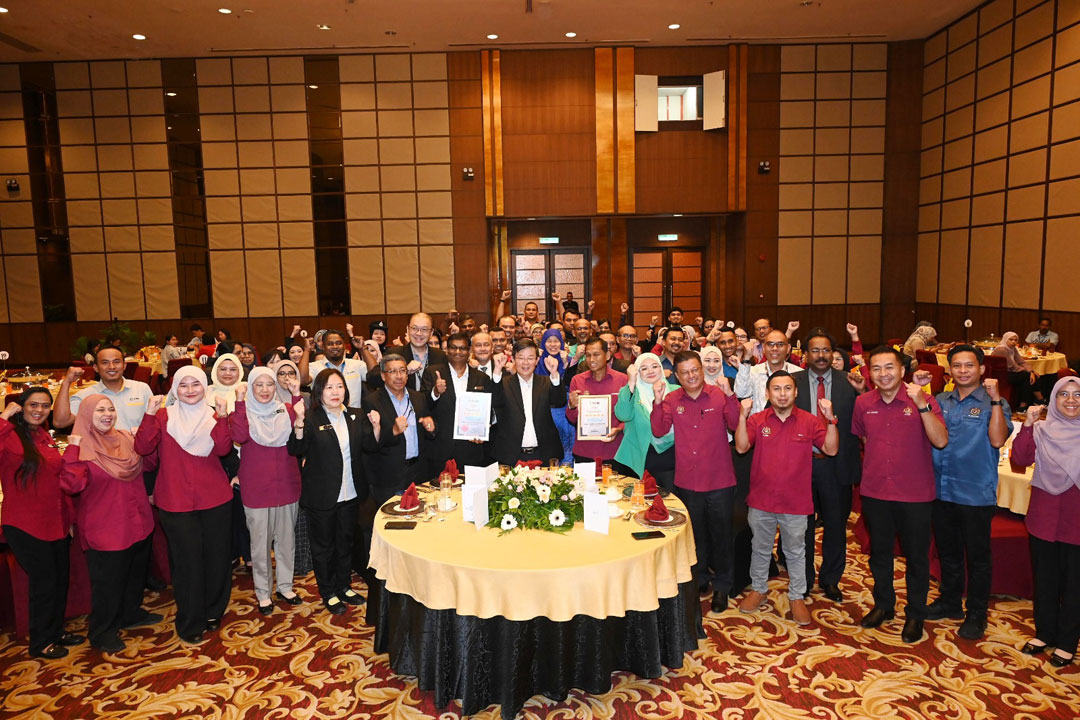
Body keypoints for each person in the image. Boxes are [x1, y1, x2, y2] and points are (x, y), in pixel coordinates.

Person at [851, 347, 948, 643]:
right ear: (870, 373)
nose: (883, 374)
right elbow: (865, 439)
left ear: (902, 370)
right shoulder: (863, 402)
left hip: (915, 493)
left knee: (916, 558)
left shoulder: (924, 399)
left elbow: (940, 441)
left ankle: (916, 613)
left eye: (889, 367)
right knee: (879, 554)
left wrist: (922, 405)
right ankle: (883, 605)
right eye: (876, 368)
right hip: (876, 491)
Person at [134, 367, 233, 644]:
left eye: (196, 384)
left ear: (204, 387)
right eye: (183, 385)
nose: (190, 390)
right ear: (174, 389)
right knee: (187, 564)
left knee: (217, 559)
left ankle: (213, 611)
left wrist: (223, 416)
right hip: (175, 500)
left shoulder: (213, 414)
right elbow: (142, 447)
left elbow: (223, 449)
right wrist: (149, 413)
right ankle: (190, 621)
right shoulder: (163, 416)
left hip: (214, 497)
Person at [735, 371, 838, 625]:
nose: (782, 394)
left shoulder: (810, 421)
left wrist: (831, 420)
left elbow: (830, 449)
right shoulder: (758, 419)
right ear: (767, 393)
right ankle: (759, 589)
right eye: (777, 389)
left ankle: (797, 596)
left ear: (796, 392)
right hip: (762, 499)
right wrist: (742, 416)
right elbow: (741, 447)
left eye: (787, 388)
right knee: (760, 548)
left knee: (795, 551)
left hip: (796, 501)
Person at [60, 395, 158, 653]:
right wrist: (72, 449)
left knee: (135, 575)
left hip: (138, 520)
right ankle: (102, 632)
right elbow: (72, 485)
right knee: (108, 584)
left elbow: (149, 463)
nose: (107, 414)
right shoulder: (82, 448)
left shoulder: (125, 438)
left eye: (110, 409)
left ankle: (130, 614)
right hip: (106, 528)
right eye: (99, 410)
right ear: (86, 415)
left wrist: (145, 431)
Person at [928, 345, 1012, 639]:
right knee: (947, 551)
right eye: (957, 366)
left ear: (982, 369)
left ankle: (977, 613)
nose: (963, 371)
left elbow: (998, 440)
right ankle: (950, 601)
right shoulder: (940, 400)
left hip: (975, 492)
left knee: (978, 558)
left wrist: (996, 399)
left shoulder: (993, 402)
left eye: (969, 365)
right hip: (941, 489)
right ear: (949, 370)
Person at [651, 351, 740, 614]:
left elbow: (735, 424)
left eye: (695, 370)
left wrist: (731, 395)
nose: (691, 376)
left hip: (719, 478)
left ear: (702, 370)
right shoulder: (671, 399)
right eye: (685, 373)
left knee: (721, 535)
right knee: (695, 535)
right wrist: (657, 402)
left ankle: (722, 585)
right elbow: (658, 430)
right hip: (688, 480)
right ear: (677, 377)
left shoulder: (718, 394)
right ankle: (700, 578)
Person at [0, 388, 85, 659]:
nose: (39, 410)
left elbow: (55, 480)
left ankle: (56, 632)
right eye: (33, 405)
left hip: (54, 521)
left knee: (59, 580)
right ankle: (41, 642)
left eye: (45, 406)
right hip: (25, 523)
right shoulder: (9, 436)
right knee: (44, 583)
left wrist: (68, 518)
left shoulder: (43, 435)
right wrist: (3, 417)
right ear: (21, 407)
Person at [288, 368, 377, 615]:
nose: (335, 392)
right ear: (319, 391)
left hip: (351, 492)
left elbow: (369, 446)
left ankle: (344, 586)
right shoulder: (311, 417)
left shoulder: (356, 415)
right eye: (329, 387)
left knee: (345, 543)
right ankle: (328, 591)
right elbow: (296, 449)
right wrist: (298, 422)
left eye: (339, 386)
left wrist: (377, 427)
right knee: (323, 548)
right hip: (322, 495)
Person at [1011, 376, 1080, 667]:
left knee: (1074, 584)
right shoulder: (1041, 430)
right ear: (1053, 399)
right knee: (1045, 580)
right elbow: (1020, 459)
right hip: (1044, 516)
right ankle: (1045, 633)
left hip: (1076, 519)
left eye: (1077, 395)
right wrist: (1027, 425)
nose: (1071, 400)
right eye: (1063, 394)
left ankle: (1067, 642)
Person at [793, 328, 865, 603]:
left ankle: (831, 579)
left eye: (826, 350)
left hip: (837, 465)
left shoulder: (850, 382)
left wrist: (863, 391)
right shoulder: (794, 382)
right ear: (806, 354)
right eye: (815, 350)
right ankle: (803, 578)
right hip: (802, 465)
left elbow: (864, 418)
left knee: (835, 525)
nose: (821, 355)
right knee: (802, 528)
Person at [230, 367, 304, 615]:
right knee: (259, 545)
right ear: (250, 387)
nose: (264, 390)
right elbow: (239, 435)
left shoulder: (287, 409)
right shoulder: (244, 412)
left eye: (269, 384)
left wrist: (296, 395)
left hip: (287, 483)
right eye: (258, 385)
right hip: (257, 487)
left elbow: (300, 434)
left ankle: (285, 587)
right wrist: (239, 402)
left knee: (286, 541)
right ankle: (263, 593)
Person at [424, 332, 500, 475]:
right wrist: (436, 392)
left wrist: (482, 431)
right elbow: (423, 406)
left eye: (463, 348)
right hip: (440, 450)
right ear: (447, 350)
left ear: (469, 351)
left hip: (471, 449)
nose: (458, 352)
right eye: (453, 347)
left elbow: (488, 411)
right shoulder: (432, 373)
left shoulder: (482, 378)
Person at [365, 355, 437, 503]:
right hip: (389, 476)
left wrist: (431, 428)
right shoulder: (372, 401)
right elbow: (370, 443)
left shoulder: (418, 397)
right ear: (383, 376)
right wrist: (393, 431)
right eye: (392, 371)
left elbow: (427, 433)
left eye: (402, 371)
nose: (399, 376)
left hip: (419, 473)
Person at [493, 339, 566, 465]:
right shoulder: (503, 383)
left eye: (530, 358)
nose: (525, 363)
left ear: (537, 360)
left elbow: (559, 401)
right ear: (513, 359)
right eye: (521, 358)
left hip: (544, 453)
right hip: (511, 455)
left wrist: (554, 373)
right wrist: (497, 370)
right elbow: (495, 401)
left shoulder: (546, 382)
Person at [613, 353, 678, 491]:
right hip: (641, 457)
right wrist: (631, 383)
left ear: (661, 368)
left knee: (671, 500)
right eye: (644, 368)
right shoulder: (631, 392)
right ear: (637, 372)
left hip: (672, 457)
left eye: (654, 366)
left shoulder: (676, 391)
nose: (650, 371)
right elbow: (623, 415)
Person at [54, 346, 152, 430]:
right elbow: (60, 422)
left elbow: (155, 422)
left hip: (136, 445)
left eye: (116, 362)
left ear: (124, 365)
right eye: (105, 362)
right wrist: (66, 383)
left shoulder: (141, 389)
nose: (112, 367)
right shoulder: (85, 396)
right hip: (99, 447)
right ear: (96, 368)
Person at [565, 336, 627, 464]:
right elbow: (572, 419)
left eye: (596, 355)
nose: (591, 359)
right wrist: (572, 406)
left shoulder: (623, 380)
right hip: (584, 450)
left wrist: (619, 428)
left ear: (607, 355)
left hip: (614, 450)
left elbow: (630, 414)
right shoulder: (577, 380)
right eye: (588, 355)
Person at [734, 330, 802, 414]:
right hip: (758, 421)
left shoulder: (799, 373)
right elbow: (741, 393)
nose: (775, 348)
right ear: (763, 348)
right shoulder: (752, 372)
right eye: (770, 344)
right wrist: (746, 360)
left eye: (780, 344)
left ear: (788, 348)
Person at [378, 313, 447, 393]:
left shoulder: (440, 356)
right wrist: (405, 370)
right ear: (408, 329)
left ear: (431, 333)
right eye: (414, 328)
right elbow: (373, 378)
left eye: (424, 329)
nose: (419, 333)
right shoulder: (394, 353)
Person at [536, 328, 574, 465]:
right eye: (549, 341)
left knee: (566, 442)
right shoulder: (537, 361)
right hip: (543, 408)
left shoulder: (569, 360)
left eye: (556, 341)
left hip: (564, 411)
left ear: (562, 343)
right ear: (543, 344)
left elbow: (572, 384)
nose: (553, 345)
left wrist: (565, 365)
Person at [304, 330, 368, 407]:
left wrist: (363, 348)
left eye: (339, 343)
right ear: (323, 346)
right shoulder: (314, 366)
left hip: (354, 413)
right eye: (330, 344)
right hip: (324, 413)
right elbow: (303, 380)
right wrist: (307, 350)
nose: (335, 347)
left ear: (344, 345)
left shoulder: (356, 364)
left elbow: (375, 375)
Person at [993, 331, 1052, 410]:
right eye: (1011, 339)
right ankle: (1034, 401)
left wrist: (1031, 371)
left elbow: (1021, 361)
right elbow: (1012, 366)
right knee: (1027, 376)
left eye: (1015, 340)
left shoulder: (1013, 349)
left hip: (1011, 372)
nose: (1013, 342)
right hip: (1002, 375)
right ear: (1005, 339)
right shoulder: (1002, 349)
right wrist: (1029, 372)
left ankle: (1031, 402)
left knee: (1030, 376)